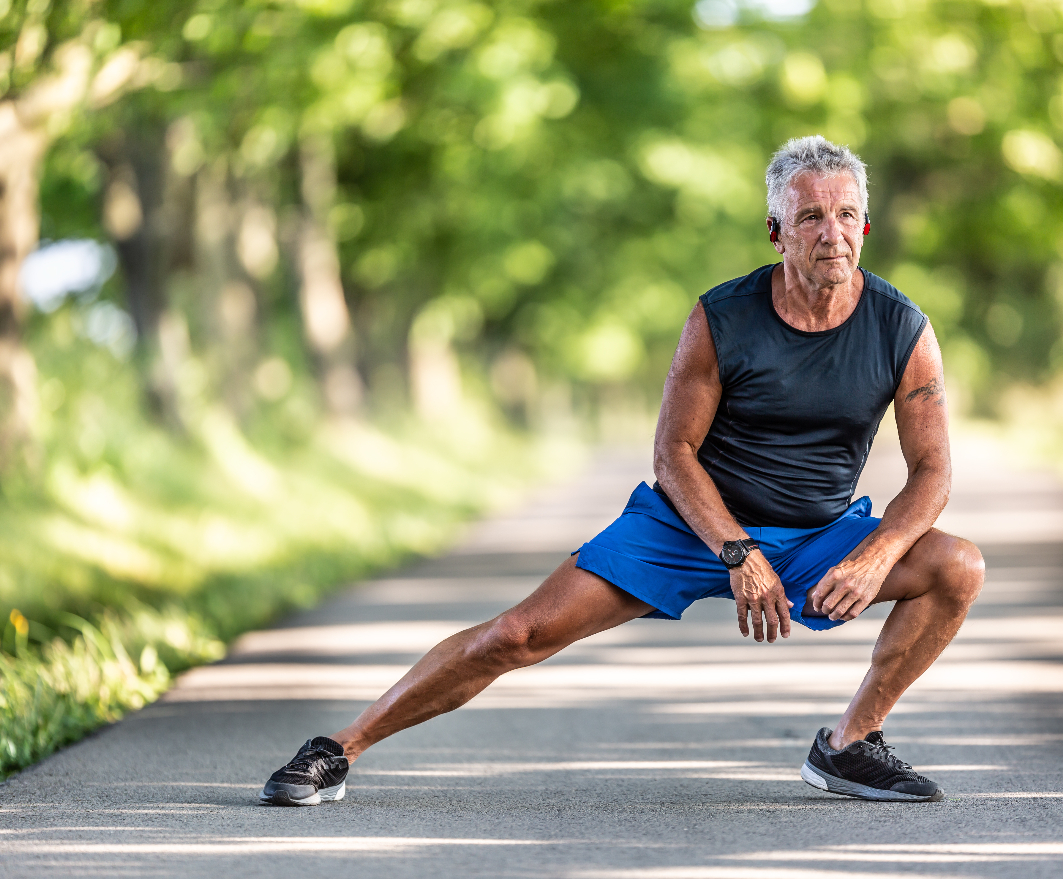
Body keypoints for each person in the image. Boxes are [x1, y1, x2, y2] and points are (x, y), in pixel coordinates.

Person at [259, 135, 986, 806]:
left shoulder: (902, 327)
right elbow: (672, 454)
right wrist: (737, 551)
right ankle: (337, 748)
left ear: (866, 225)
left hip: (816, 534)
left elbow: (932, 472)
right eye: (810, 217)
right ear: (776, 231)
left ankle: (851, 744)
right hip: (689, 526)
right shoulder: (722, 317)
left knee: (957, 564)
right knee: (520, 633)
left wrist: (875, 554)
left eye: (847, 214)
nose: (831, 233)